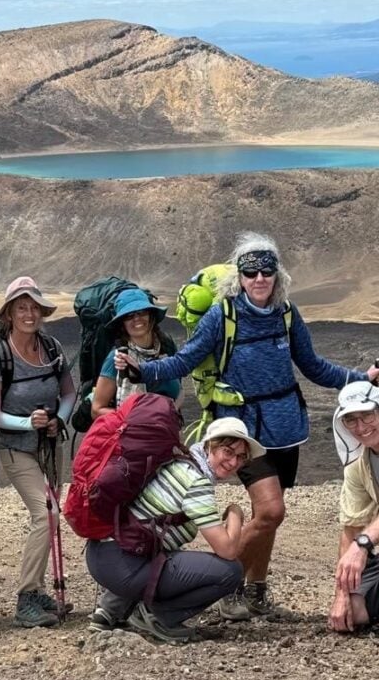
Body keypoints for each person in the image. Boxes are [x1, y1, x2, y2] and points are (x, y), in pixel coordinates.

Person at [116, 232, 379, 619]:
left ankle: (254, 591)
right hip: (242, 428)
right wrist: (144, 370)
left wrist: (361, 377)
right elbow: (185, 361)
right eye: (250, 271)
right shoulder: (222, 315)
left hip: (287, 426)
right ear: (239, 276)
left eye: (266, 270)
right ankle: (223, 577)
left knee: (271, 512)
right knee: (272, 512)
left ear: (277, 275)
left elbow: (313, 365)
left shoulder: (287, 314)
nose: (259, 278)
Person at [88, 417, 264, 642]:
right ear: (210, 445)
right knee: (230, 571)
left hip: (104, 554)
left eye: (241, 457)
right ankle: (158, 616)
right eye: (228, 451)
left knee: (167, 547)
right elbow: (228, 550)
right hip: (122, 566)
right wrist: (235, 513)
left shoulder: (178, 461)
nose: (233, 462)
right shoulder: (196, 481)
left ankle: (111, 610)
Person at [0, 276, 76, 628]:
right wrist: (28, 424)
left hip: (49, 447)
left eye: (34, 307)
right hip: (15, 449)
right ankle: (26, 599)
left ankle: (36, 593)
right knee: (48, 513)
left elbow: (67, 394)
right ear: (9, 313)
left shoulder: (52, 348)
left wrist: (59, 420)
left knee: (50, 516)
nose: (29, 313)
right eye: (22, 307)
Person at [328, 381, 379, 633]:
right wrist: (341, 594)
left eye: (368, 415)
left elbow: (359, 538)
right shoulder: (360, 465)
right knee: (354, 612)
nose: (361, 427)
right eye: (351, 420)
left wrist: (363, 544)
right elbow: (351, 528)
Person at [91, 288, 181, 419]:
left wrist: (171, 411)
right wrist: (138, 418)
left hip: (168, 431)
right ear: (122, 324)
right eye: (129, 316)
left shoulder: (167, 347)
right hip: (132, 435)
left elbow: (180, 390)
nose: (137, 319)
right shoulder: (117, 359)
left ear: (151, 316)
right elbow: (96, 409)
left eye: (142, 312)